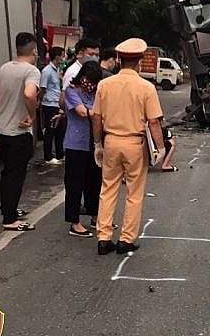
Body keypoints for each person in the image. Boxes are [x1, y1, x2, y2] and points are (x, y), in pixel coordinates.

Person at [91, 38, 166, 255]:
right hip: (135, 143)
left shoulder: (104, 85)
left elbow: (96, 117)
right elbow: (154, 121)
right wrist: (160, 149)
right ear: (139, 62)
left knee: (108, 189)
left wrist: (97, 143)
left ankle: (103, 238)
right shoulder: (146, 87)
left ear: (118, 60)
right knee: (134, 192)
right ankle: (126, 239)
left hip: (111, 140)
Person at [0, 32, 40, 231]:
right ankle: (10, 219)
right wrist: (32, 116)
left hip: (2, 129)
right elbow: (29, 93)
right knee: (15, 175)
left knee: (8, 173)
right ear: (34, 50)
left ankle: (9, 208)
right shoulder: (31, 71)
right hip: (18, 132)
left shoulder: (6, 67)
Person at [63, 61, 103, 238]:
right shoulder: (73, 90)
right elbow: (81, 111)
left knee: (94, 182)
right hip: (75, 144)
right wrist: (98, 114)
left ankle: (95, 216)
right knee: (74, 184)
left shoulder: (96, 92)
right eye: (89, 81)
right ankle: (74, 222)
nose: (91, 85)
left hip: (93, 143)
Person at [39, 46, 66, 165]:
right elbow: (42, 88)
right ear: (57, 56)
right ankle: (48, 156)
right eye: (62, 55)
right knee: (50, 131)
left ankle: (60, 154)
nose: (63, 58)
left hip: (57, 103)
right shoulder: (47, 71)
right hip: (49, 104)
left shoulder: (56, 69)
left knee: (60, 130)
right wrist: (39, 101)